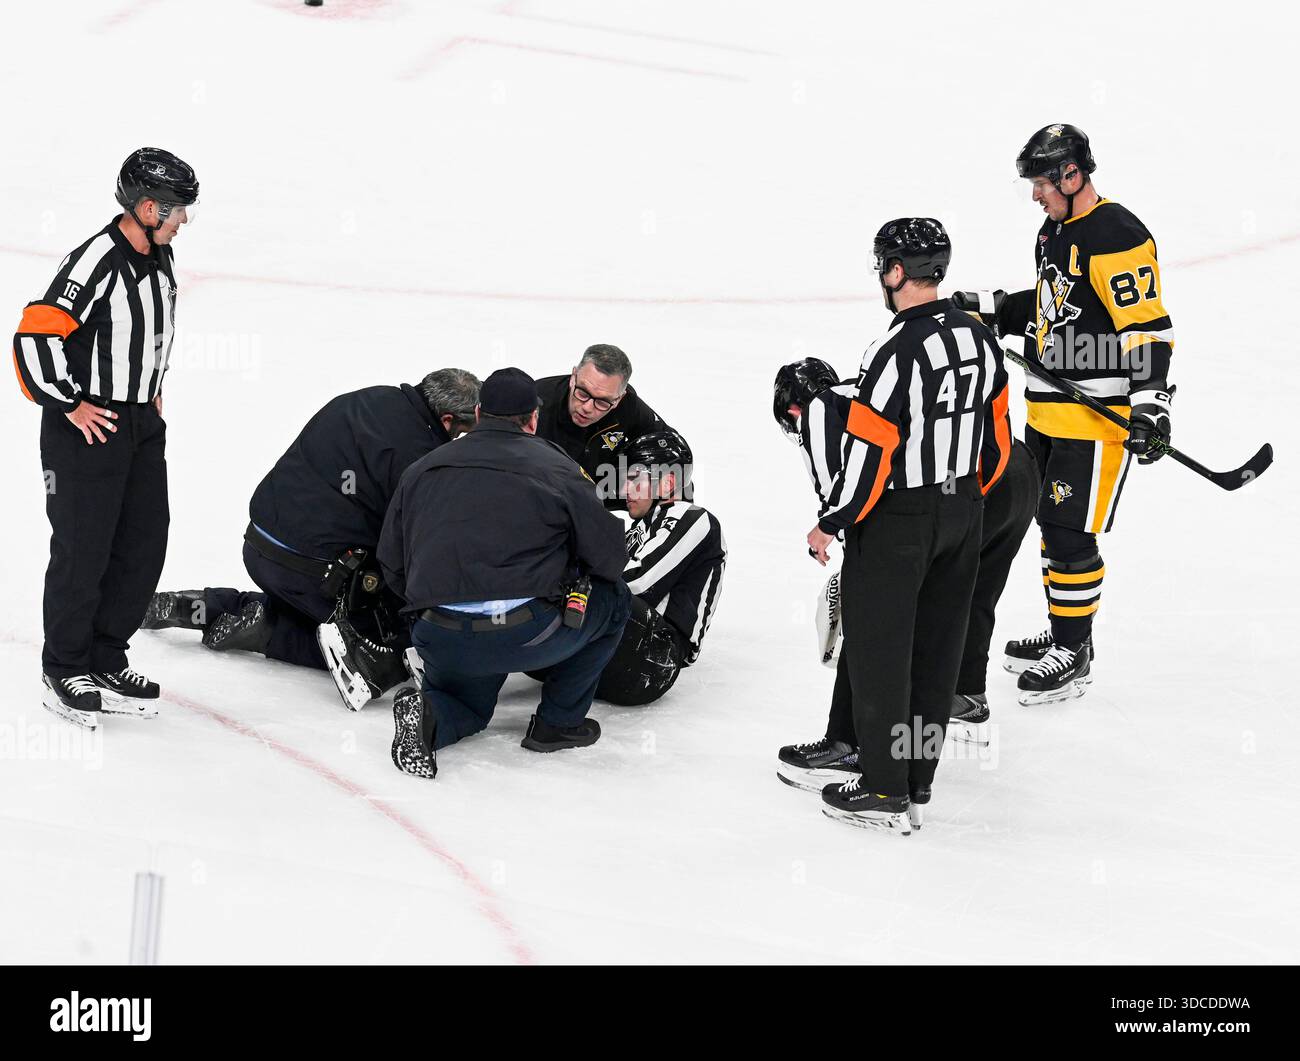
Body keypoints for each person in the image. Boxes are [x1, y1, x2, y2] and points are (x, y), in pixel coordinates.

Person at [794, 219, 1013, 834]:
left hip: (900, 520)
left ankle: (884, 791)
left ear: (894, 272)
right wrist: (962, 502)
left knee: (882, 651)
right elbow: (997, 441)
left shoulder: (892, 353)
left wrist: (832, 521)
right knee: (937, 650)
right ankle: (916, 780)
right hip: (962, 510)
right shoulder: (979, 338)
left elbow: (869, 451)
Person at [956, 124, 1175, 705]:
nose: (1035, 195)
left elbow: (1145, 326)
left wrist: (1152, 404)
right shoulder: (1056, 229)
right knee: (1047, 528)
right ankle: (1065, 631)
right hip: (1048, 414)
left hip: (1094, 422)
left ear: (1072, 175)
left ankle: (1074, 650)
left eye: (1042, 184)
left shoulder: (1117, 235)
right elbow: (1054, 302)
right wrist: (990, 309)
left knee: (1068, 532)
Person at [143, 369, 480, 710]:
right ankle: (267, 631)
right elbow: (410, 548)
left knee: (331, 595)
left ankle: (207, 607)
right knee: (382, 646)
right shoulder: (418, 453)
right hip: (314, 571)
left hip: (260, 542)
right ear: (447, 419)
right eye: (464, 430)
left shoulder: (366, 397)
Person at [773, 356, 1036, 788]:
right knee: (966, 599)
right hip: (1013, 476)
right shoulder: (875, 386)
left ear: (792, 410)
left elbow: (841, 491)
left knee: (874, 623)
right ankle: (964, 695)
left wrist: (854, 559)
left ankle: (848, 745)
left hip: (946, 499)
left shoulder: (819, 408)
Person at [13, 147, 199, 728]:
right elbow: (34, 338)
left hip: (140, 424)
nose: (183, 221)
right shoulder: (94, 260)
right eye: (176, 210)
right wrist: (70, 402)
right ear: (147, 207)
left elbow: (146, 332)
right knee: (83, 549)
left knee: (143, 544)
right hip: (88, 429)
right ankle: (64, 666)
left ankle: (105, 656)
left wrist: (151, 388)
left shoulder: (159, 254)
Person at [379, 367, 630, 779]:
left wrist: (435, 605)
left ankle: (428, 717)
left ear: (478, 413)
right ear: (533, 419)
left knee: (469, 708)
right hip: (524, 632)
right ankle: (558, 724)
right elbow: (609, 558)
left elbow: (392, 560)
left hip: (439, 633)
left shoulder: (422, 468)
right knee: (614, 599)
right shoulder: (558, 468)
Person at [593, 429, 726, 706]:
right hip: (620, 656)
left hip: (653, 658)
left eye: (633, 480)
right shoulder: (638, 530)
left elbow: (639, 583)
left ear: (667, 484)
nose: (623, 490)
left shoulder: (693, 517)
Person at [535, 344, 672, 504]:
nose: (586, 408)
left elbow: (668, 445)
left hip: (598, 487)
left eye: (601, 402)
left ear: (618, 399)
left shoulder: (628, 406)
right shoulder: (537, 400)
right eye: (582, 393)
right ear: (573, 377)